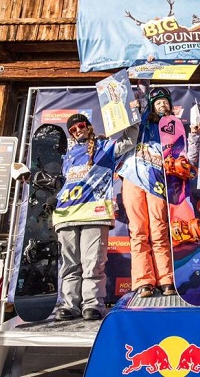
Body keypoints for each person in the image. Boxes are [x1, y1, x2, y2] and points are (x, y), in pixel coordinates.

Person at [52, 113, 138, 321]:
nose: (77, 131)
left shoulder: (104, 147)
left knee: (93, 263)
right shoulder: (67, 155)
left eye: (80, 126)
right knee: (70, 264)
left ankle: (92, 304)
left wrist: (131, 116)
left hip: (94, 213)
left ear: (88, 126)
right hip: (66, 214)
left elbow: (130, 139)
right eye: (72, 130)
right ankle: (69, 304)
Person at [117, 86, 178, 298]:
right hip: (133, 177)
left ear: (170, 105)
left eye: (165, 102)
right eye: (157, 102)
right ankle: (143, 281)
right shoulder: (142, 120)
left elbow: (182, 153)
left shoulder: (174, 126)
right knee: (138, 230)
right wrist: (145, 73)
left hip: (157, 180)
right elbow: (140, 97)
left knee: (159, 230)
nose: (161, 105)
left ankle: (166, 279)